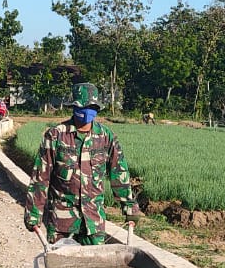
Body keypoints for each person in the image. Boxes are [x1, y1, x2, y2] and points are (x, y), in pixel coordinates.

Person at [23, 82, 140, 245]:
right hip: (62, 224)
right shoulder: (56, 136)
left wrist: (129, 207)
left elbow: (119, 174)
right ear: (74, 108)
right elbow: (40, 178)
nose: (86, 112)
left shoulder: (106, 137)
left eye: (91, 107)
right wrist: (34, 213)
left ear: (97, 109)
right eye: (82, 107)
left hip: (94, 222)